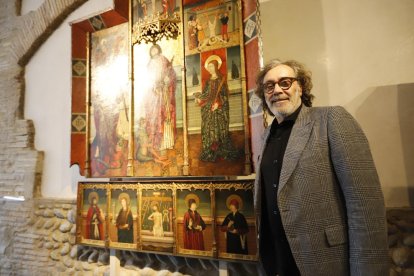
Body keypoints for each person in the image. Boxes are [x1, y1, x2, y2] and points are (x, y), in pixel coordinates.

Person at [254, 59, 389, 276]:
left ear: (301, 87)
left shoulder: (331, 120)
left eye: (285, 82)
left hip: (325, 262)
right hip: (278, 263)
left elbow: (365, 204)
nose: (277, 90)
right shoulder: (265, 136)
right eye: (269, 86)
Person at [194, 55, 240, 162]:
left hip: (219, 109)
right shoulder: (208, 81)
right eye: (208, 67)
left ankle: (220, 149)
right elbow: (206, 95)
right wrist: (198, 98)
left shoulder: (221, 80)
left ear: (216, 67)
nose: (210, 69)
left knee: (219, 129)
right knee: (207, 128)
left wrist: (218, 104)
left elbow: (224, 95)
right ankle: (210, 150)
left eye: (211, 67)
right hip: (208, 107)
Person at [145, 44, 177, 152]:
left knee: (166, 115)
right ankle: (155, 142)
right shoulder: (149, 64)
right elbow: (147, 79)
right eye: (152, 49)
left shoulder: (164, 60)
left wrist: (168, 79)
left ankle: (167, 142)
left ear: (158, 49)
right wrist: (153, 87)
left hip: (164, 92)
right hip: (154, 95)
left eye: (155, 49)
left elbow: (171, 72)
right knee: (155, 117)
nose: (154, 51)